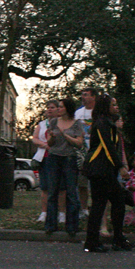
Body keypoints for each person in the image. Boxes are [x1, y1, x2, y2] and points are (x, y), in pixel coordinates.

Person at [82, 93, 133, 252]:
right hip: (99, 169)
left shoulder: (108, 123)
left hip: (105, 169)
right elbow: (107, 147)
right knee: (101, 204)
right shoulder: (102, 123)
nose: (116, 107)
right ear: (106, 107)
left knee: (115, 201)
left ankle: (116, 239)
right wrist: (121, 167)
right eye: (113, 105)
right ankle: (94, 241)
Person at [43, 98, 84, 237]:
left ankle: (72, 225)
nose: (58, 109)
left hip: (69, 159)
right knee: (52, 192)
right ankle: (50, 225)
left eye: (61, 107)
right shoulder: (54, 122)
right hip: (54, 158)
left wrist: (66, 136)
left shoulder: (77, 124)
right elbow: (50, 143)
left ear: (68, 108)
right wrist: (52, 137)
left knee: (71, 193)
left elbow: (79, 143)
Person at [32, 100, 65, 223]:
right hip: (44, 158)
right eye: (48, 108)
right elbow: (34, 139)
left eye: (53, 107)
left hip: (59, 157)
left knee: (61, 187)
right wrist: (45, 145)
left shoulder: (63, 123)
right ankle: (44, 213)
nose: (49, 110)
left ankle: (62, 214)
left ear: (58, 109)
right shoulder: (41, 124)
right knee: (45, 187)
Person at [74, 88, 97, 219]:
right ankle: (83, 209)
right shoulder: (78, 113)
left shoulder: (98, 112)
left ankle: (96, 208)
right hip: (82, 153)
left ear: (93, 97)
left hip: (96, 151)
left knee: (95, 185)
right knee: (82, 184)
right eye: (82, 95)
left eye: (86, 95)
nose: (83, 97)